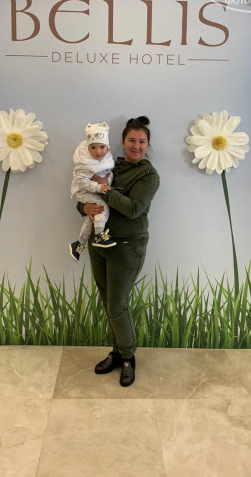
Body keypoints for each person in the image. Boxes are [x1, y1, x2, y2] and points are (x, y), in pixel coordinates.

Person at [79, 116, 159, 387]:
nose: (136, 146)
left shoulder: (148, 175)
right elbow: (85, 193)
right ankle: (116, 352)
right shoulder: (108, 165)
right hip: (99, 243)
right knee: (108, 302)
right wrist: (83, 207)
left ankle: (127, 357)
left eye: (142, 141)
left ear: (147, 145)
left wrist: (104, 189)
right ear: (123, 142)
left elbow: (134, 209)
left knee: (117, 305)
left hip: (127, 248)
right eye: (131, 140)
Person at [69, 122, 117, 262]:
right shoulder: (85, 163)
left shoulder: (106, 159)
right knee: (102, 207)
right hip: (85, 192)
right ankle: (99, 235)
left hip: (94, 191)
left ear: (107, 147)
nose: (98, 152)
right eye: (93, 147)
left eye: (102, 147)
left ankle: (79, 244)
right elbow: (80, 181)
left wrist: (105, 183)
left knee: (92, 217)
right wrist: (98, 187)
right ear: (87, 147)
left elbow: (107, 175)